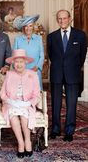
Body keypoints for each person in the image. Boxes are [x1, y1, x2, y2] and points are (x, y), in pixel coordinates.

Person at [47, 9, 87, 142]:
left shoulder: (80, 35)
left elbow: (82, 56)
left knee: (71, 103)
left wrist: (72, 67)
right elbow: (51, 55)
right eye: (59, 18)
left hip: (73, 74)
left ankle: (69, 131)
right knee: (56, 103)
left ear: (69, 19)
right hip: (56, 73)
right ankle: (55, 129)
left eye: (64, 18)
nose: (62, 21)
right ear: (57, 20)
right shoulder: (51, 36)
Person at [0, 49, 40, 159]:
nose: (19, 64)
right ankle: (20, 143)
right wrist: (9, 101)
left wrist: (29, 103)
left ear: (25, 62)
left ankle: (27, 141)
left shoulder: (33, 74)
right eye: (16, 62)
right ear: (13, 63)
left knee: (24, 116)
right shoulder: (9, 74)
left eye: (21, 62)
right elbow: (2, 93)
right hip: (11, 103)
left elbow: (37, 94)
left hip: (26, 104)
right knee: (13, 116)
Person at [13, 14, 44, 90]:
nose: (28, 28)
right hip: (21, 71)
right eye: (26, 26)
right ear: (23, 28)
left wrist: (36, 67)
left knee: (36, 93)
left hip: (35, 70)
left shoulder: (39, 38)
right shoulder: (18, 39)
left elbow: (42, 55)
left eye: (30, 26)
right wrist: (19, 69)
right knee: (23, 93)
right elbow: (14, 57)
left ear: (33, 26)